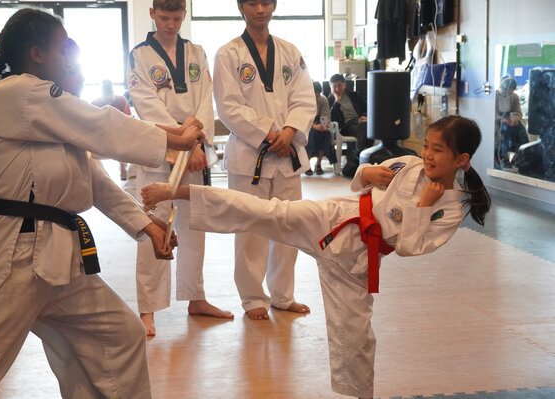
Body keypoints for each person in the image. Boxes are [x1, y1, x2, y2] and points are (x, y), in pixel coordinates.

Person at [141, 115, 492, 398]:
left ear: (461, 160)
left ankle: (360, 395)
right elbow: (361, 182)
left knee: (355, 336)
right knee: (267, 212)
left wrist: (423, 207)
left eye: (439, 151)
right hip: (335, 217)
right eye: (427, 146)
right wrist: (366, 173)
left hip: (356, 261)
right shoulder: (410, 165)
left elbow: (409, 246)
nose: (428, 155)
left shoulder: (447, 211)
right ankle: (181, 191)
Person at [0, 9, 203, 399]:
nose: (68, 58)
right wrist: (175, 138)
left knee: (119, 338)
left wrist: (145, 225)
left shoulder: (48, 113)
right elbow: (101, 123)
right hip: (8, 257)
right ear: (37, 54)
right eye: (61, 49)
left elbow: (93, 179)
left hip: (56, 259)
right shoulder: (17, 93)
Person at [127, 0, 232, 336]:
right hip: (159, 151)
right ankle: (148, 309)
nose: (170, 24)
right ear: (152, 14)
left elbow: (205, 99)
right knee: (155, 226)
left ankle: (196, 297)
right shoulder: (140, 55)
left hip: (196, 150)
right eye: (164, 17)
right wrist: (179, 142)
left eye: (176, 18)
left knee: (194, 227)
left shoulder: (196, 52)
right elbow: (145, 103)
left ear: (183, 16)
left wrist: (198, 143)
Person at [213, 0, 316, 320]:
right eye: (253, 3)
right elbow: (228, 106)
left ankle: (283, 295)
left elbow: (304, 98)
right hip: (250, 154)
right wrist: (271, 134)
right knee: (251, 228)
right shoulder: (229, 54)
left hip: (287, 154)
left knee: (289, 226)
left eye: (266, 3)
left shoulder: (289, 51)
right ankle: (253, 297)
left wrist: (291, 131)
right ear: (242, 7)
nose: (260, 9)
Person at [328, 73, 372, 174]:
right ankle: (358, 158)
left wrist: (365, 116)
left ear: (345, 85)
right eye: (334, 86)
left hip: (359, 121)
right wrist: (337, 102)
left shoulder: (354, 95)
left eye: (340, 85)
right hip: (345, 126)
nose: (337, 88)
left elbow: (366, 108)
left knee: (367, 127)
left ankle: (356, 158)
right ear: (330, 87)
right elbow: (332, 118)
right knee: (367, 131)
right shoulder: (330, 100)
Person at [92, 79, 133, 180]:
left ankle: (122, 166)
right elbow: (92, 122)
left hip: (118, 131)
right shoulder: (95, 102)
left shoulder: (121, 100)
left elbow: (127, 119)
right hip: (103, 131)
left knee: (122, 139)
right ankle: (101, 171)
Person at [494, 76, 528, 169]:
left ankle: (522, 157)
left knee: (521, 130)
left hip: (510, 121)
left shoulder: (514, 97)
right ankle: (504, 159)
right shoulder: (494, 96)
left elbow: (518, 112)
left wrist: (515, 118)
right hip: (497, 122)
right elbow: (491, 114)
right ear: (501, 88)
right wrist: (502, 120)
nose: (507, 94)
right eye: (505, 92)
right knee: (505, 132)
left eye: (510, 92)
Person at [305, 81, 337, 175]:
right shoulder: (304, 101)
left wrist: (324, 125)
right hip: (307, 124)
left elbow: (326, 114)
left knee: (325, 134)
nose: (316, 96)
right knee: (311, 134)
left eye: (318, 93)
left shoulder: (323, 99)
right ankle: (307, 164)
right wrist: (314, 126)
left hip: (319, 121)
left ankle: (318, 163)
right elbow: (303, 118)